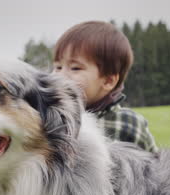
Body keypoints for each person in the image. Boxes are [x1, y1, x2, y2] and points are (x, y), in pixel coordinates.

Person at [52, 21, 158, 152]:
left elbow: (155, 167)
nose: (59, 76)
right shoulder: (52, 120)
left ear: (108, 81)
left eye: (75, 68)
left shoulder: (130, 124)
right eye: (58, 67)